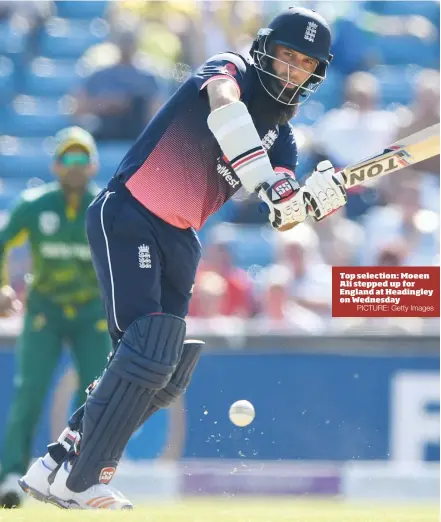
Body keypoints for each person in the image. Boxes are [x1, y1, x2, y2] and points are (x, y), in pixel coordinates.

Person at [18, 7, 347, 510]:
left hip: (180, 238)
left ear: (316, 75)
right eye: (286, 56)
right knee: (146, 345)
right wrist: (270, 180)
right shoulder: (229, 68)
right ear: (265, 50)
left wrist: (308, 202)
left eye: (305, 64)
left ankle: (58, 464)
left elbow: (281, 216)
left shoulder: (284, 139)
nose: (292, 70)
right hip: (130, 212)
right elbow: (222, 105)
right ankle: (81, 480)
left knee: (163, 367)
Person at [0, 127, 113, 508]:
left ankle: (82, 479)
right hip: (45, 310)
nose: (76, 166)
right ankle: (11, 476)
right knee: (29, 392)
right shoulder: (34, 205)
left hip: (92, 313)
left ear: (94, 164)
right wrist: (2, 288)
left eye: (83, 158)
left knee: (97, 400)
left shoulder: (105, 206)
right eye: (69, 158)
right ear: (55, 164)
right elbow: (2, 241)